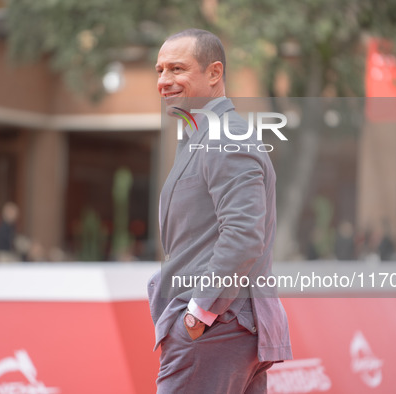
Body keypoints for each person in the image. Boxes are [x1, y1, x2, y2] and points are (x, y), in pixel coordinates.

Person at [147, 29, 292, 393]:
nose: (164, 81)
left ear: (214, 73)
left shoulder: (224, 136)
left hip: (216, 330)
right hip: (225, 329)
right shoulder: (203, 134)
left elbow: (243, 236)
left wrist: (199, 314)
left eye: (177, 69)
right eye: (160, 70)